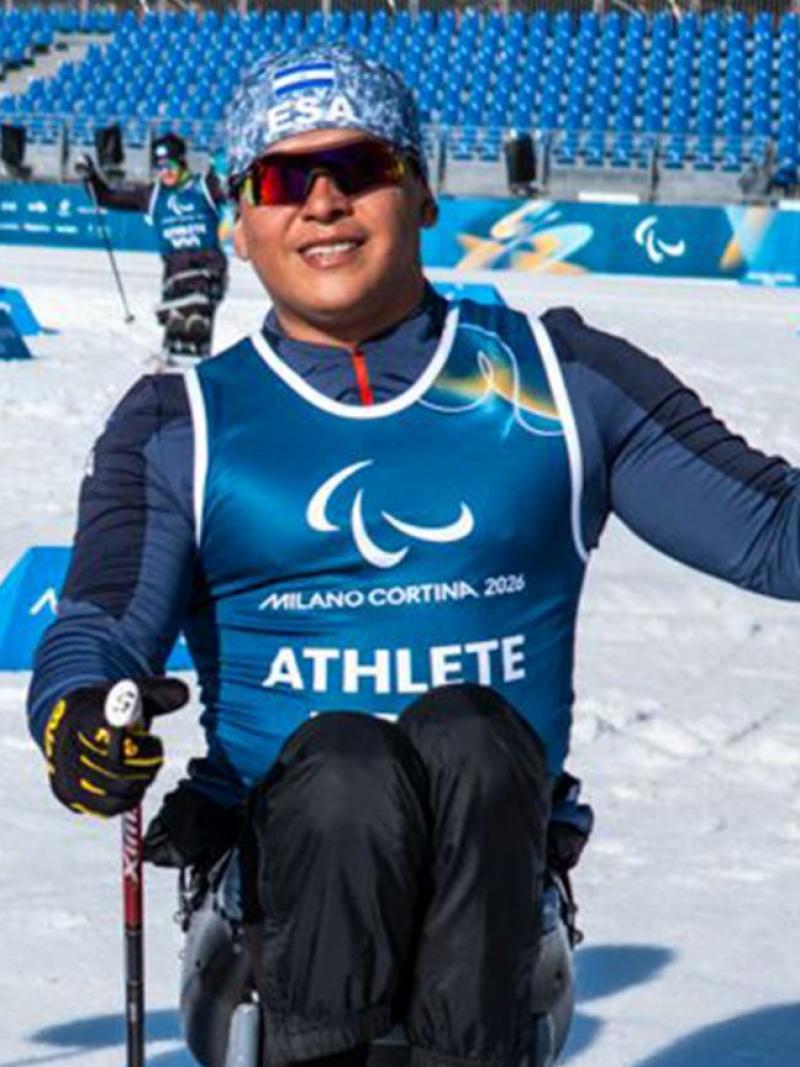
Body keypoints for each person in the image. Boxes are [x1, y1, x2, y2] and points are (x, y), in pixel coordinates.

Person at [29, 44, 800, 1067]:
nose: (321, 202)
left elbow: (773, 532)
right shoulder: (185, 421)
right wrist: (78, 714)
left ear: (422, 192)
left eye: (357, 166)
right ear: (241, 223)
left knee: (471, 738)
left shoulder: (558, 379)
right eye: (280, 179)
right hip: (269, 922)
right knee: (345, 770)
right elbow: (100, 624)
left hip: (495, 891)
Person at [79, 131, 229, 359]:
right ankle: (176, 350)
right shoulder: (153, 194)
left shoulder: (204, 187)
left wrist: (224, 164)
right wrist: (90, 177)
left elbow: (232, 182)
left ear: (182, 163)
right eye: (159, 168)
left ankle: (196, 337)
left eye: (170, 166)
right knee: (178, 322)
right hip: (175, 271)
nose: (165, 173)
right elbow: (107, 197)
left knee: (195, 318)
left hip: (207, 267)